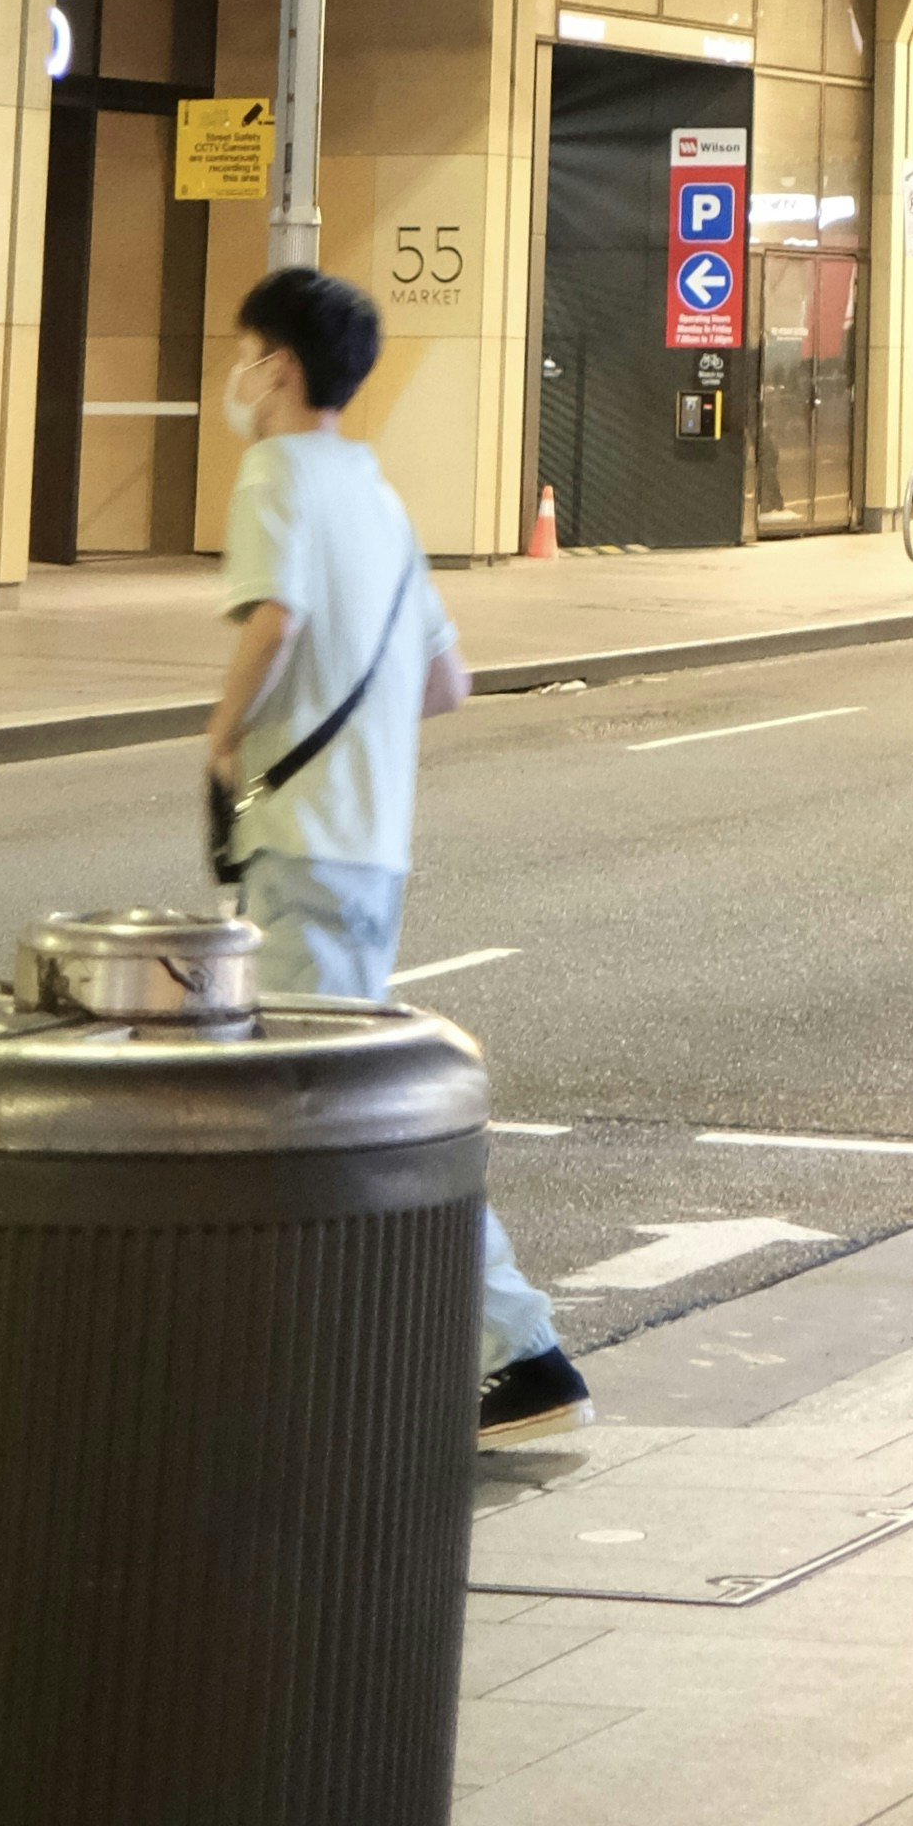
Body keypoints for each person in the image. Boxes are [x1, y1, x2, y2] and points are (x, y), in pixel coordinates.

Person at [203, 264, 591, 1452]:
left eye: (245, 351)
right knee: (326, 1103)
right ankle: (355, 1347)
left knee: (333, 1115)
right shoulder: (374, 488)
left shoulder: (274, 473)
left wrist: (223, 741)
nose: (238, 377)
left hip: (303, 840)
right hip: (369, 841)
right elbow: (445, 680)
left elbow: (277, 619)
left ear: (276, 366)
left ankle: (520, 1352)